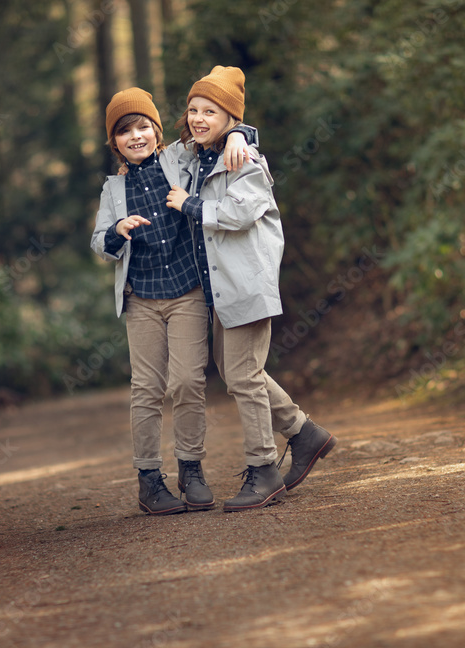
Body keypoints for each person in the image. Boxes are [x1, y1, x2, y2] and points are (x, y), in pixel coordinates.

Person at [166, 66, 338, 512]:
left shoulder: (246, 161)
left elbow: (238, 213)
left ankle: (264, 470)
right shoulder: (197, 156)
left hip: (246, 284)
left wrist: (191, 203)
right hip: (219, 287)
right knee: (238, 370)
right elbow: (157, 155)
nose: (198, 118)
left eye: (211, 111)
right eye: (193, 109)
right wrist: (241, 130)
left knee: (242, 375)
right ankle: (304, 433)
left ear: (230, 117)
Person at [90, 87, 255, 515]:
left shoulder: (180, 159)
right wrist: (116, 231)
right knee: (147, 388)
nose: (136, 136)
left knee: (187, 382)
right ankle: (149, 481)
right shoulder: (113, 189)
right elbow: (99, 242)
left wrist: (241, 134)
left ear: (157, 131)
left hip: (188, 292)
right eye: (125, 132)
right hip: (141, 299)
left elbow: (213, 131)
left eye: (143, 127)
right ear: (115, 142)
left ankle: (191, 468)